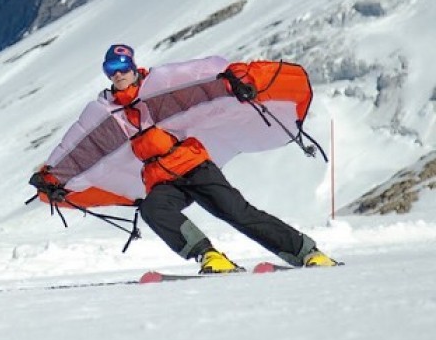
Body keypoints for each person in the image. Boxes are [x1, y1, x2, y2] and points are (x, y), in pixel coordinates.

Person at [28, 44, 339, 273]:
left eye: (123, 67)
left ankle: (305, 251)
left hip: (193, 165)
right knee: (153, 209)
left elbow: (205, 78)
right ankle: (209, 256)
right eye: (111, 71)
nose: (118, 75)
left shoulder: (161, 86)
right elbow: (81, 145)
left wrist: (239, 80)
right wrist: (51, 177)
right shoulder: (105, 112)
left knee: (237, 213)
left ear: (134, 67)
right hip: (161, 179)